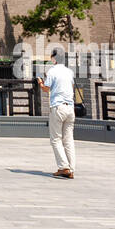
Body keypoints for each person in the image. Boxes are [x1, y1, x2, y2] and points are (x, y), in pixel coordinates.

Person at [37, 46, 76, 179]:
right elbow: (70, 87)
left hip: (58, 107)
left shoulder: (52, 71)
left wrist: (41, 83)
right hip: (70, 108)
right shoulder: (69, 72)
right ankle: (71, 168)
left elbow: (47, 89)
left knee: (55, 139)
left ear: (54, 58)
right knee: (68, 140)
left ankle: (63, 167)